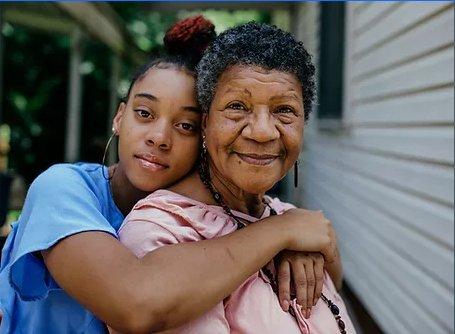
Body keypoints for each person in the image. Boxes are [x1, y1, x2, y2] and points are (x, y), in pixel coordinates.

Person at [0, 17, 340, 333]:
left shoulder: (212, 218)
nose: (159, 137)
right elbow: (133, 302)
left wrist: (296, 242)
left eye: (185, 125)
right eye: (145, 113)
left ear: (205, 134)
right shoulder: (61, 189)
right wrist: (283, 230)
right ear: (120, 117)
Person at [118, 22, 352, 333]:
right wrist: (283, 232)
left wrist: (304, 238)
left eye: (284, 110)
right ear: (206, 124)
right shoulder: (162, 231)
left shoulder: (292, 221)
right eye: (237, 107)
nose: (262, 132)